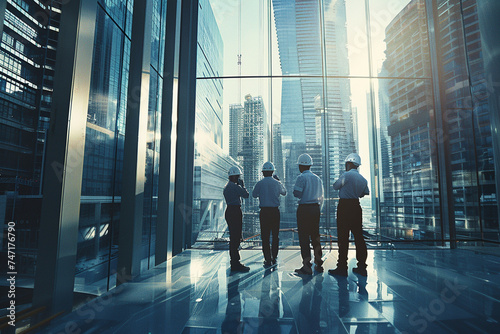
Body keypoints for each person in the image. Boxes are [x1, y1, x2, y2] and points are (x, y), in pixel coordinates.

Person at [328, 153, 370, 277]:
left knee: (343, 238)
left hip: (344, 207)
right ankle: (362, 266)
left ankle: (342, 267)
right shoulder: (362, 179)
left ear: (350, 163)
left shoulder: (346, 175)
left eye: (346, 164)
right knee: (359, 237)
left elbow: (335, 186)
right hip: (356, 207)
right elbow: (365, 193)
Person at [293, 153, 324, 275]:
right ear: (310, 165)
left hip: (304, 209)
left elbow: (297, 194)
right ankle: (318, 262)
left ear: (300, 166)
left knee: (304, 237)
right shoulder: (317, 178)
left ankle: (306, 266)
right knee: (315, 236)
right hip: (315, 209)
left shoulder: (301, 178)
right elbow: (321, 196)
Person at [252, 161, 286, 267]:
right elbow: (284, 192)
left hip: (264, 212)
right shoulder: (277, 183)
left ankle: (267, 259)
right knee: (275, 236)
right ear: (272, 172)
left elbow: (254, 195)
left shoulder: (260, 183)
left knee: (265, 237)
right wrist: (279, 181)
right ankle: (274, 257)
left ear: (263, 173)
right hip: (275, 212)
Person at [223, 166, 250, 272]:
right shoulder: (234, 186)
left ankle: (234, 261)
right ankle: (235, 263)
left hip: (229, 210)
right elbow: (246, 195)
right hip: (235, 211)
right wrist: (242, 185)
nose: (239, 178)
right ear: (233, 177)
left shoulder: (227, 186)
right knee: (235, 238)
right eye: (238, 176)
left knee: (233, 237)